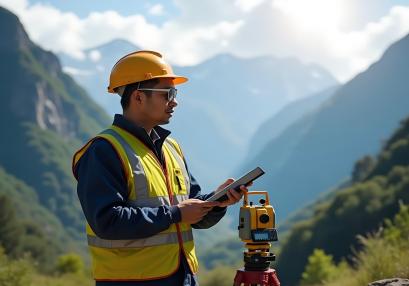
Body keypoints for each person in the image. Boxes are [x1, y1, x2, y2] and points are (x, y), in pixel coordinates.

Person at [72, 50, 248, 286]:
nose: (174, 101)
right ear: (138, 97)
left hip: (182, 276)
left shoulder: (171, 148)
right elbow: (107, 221)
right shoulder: (104, 150)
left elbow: (191, 211)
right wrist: (175, 214)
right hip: (131, 281)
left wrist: (217, 202)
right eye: (168, 93)